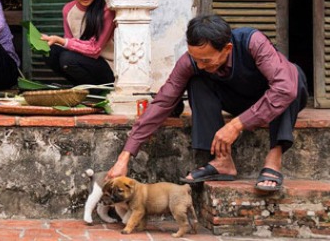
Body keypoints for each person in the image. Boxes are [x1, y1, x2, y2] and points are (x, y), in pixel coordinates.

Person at [106, 14, 308, 193]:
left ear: (227, 49)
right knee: (196, 81)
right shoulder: (192, 61)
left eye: (207, 60)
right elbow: (162, 102)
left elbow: (284, 89)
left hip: (273, 98)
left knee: (291, 78)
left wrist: (237, 124)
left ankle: (274, 158)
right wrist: (124, 157)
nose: (200, 65)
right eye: (197, 59)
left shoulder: (252, 42)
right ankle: (222, 161)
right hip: (238, 100)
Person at [40, 0, 115, 86]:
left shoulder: (107, 9)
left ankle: (97, 90)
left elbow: (95, 49)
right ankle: (81, 86)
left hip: (107, 68)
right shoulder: (68, 10)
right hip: (82, 61)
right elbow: (69, 47)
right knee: (50, 52)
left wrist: (61, 41)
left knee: (68, 59)